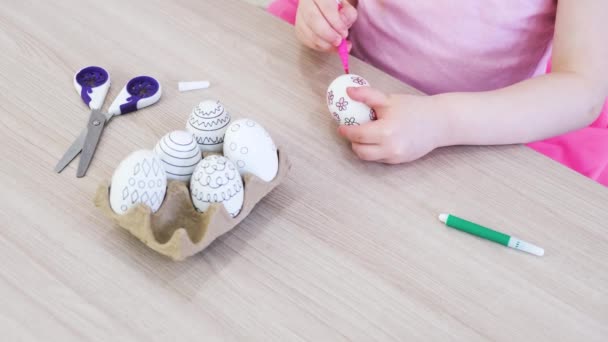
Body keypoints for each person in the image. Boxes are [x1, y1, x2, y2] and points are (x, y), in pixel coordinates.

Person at [267, 0, 608, 186]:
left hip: (479, 133)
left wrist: (443, 121)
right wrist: (324, 11)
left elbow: (582, 87)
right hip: (359, 87)